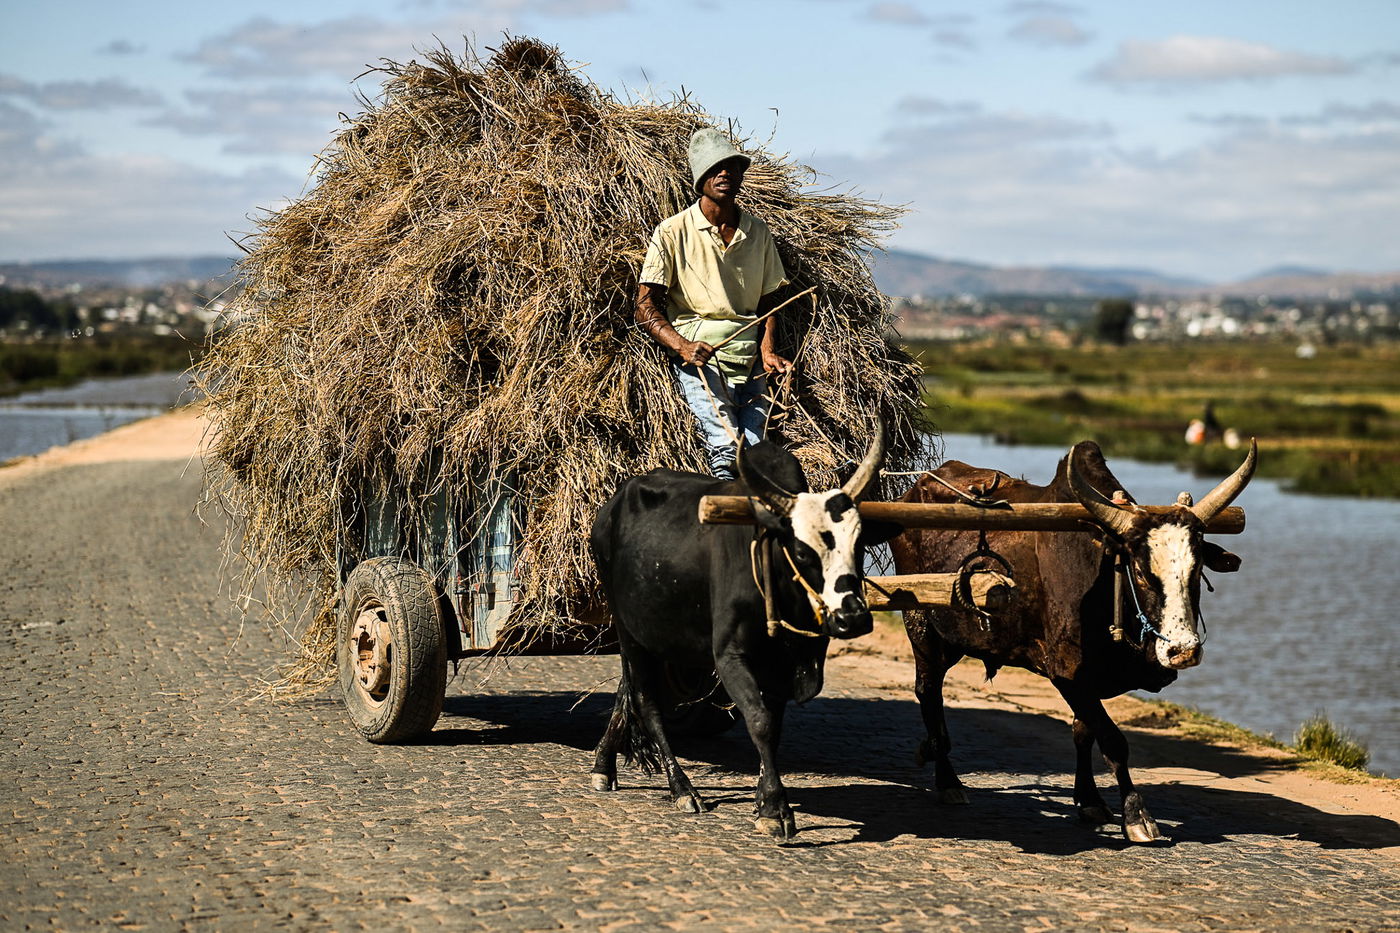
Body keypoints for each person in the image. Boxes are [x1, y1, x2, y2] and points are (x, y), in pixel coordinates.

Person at [636, 128, 793, 480]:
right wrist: (682, 346)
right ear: (700, 178)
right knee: (725, 450)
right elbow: (645, 307)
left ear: (740, 176)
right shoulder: (672, 231)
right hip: (705, 355)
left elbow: (769, 302)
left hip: (749, 355)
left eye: (731, 167)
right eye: (714, 168)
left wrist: (768, 350)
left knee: (755, 452)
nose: (723, 173)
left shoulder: (758, 232)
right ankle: (724, 527)